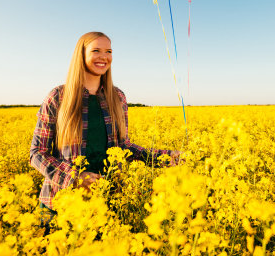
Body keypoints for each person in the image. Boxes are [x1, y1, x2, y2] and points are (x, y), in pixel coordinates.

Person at [29, 31, 180, 233]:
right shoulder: (58, 97)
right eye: (96, 50)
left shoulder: (117, 97)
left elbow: (123, 147)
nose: (104, 57)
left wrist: (167, 158)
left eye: (108, 51)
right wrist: (75, 178)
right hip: (58, 204)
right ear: (81, 55)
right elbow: (37, 153)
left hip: (105, 204)